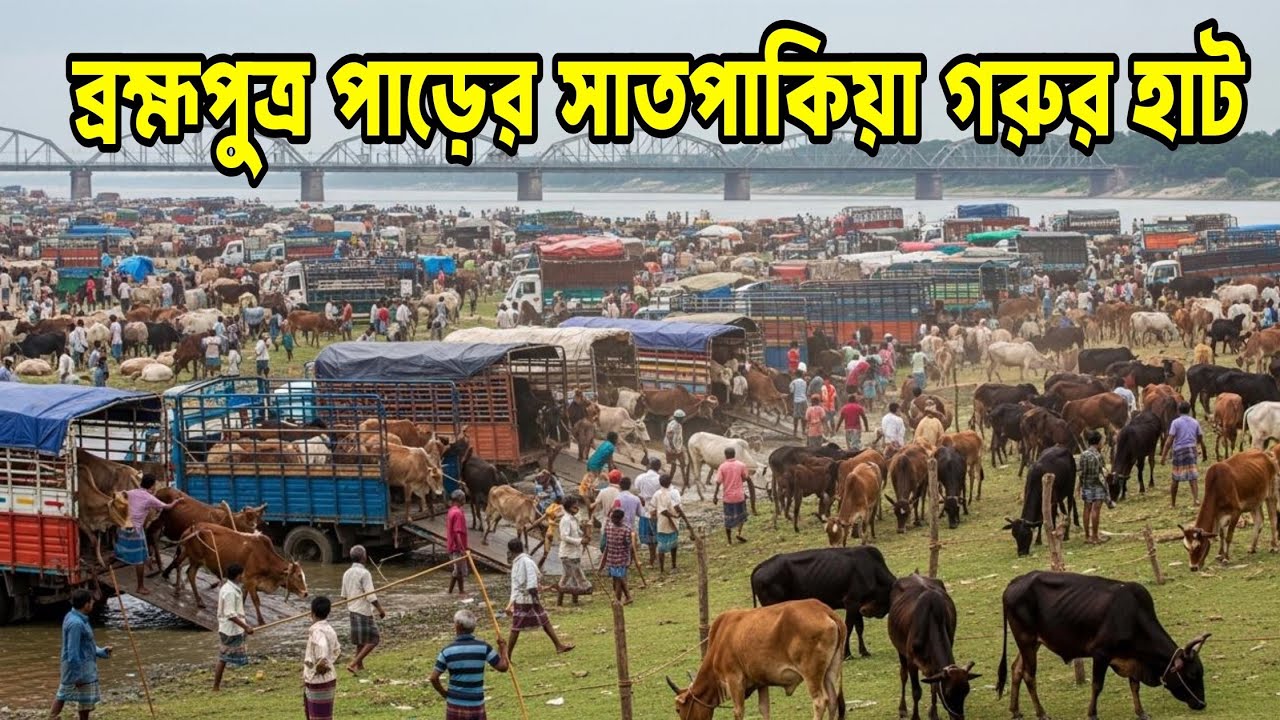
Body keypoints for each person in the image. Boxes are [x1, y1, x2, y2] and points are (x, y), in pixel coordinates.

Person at [430, 609, 509, 720]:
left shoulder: (447, 651)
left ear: (457, 626)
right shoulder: (483, 647)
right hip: (476, 704)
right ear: (473, 627)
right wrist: (503, 649)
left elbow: (433, 678)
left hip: (455, 704)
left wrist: (445, 694)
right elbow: (503, 667)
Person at [505, 538, 573, 658]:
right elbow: (526, 583)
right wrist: (510, 603)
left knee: (542, 621)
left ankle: (558, 646)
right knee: (518, 626)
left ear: (512, 551)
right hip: (527, 598)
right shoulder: (524, 561)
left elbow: (525, 583)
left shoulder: (523, 562)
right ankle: (507, 655)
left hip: (526, 598)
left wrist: (512, 602)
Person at [50, 589, 112, 719]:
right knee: (63, 694)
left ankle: (54, 717)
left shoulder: (77, 618)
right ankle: (52, 717)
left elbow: (86, 644)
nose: (93, 604)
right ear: (86, 605)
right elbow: (72, 651)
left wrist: (101, 651)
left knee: (84, 701)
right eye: (91, 602)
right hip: (78, 668)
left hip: (84, 666)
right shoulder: (76, 624)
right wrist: (77, 676)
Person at [120, 475, 181, 595]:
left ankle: (144, 558)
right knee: (139, 561)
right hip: (135, 529)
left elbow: (121, 494)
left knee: (137, 551)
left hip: (125, 526)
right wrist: (177, 501)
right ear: (152, 486)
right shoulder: (149, 498)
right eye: (154, 485)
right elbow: (167, 507)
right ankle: (140, 587)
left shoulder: (132, 492)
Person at [342, 545, 386, 675]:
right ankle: (353, 663)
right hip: (363, 611)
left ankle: (359, 666)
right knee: (374, 639)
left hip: (352, 610)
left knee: (360, 641)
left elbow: (344, 595)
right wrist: (380, 610)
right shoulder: (365, 573)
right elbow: (371, 595)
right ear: (363, 557)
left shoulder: (346, 573)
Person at [213, 563, 254, 691]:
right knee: (223, 658)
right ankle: (216, 686)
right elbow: (230, 614)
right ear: (237, 576)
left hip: (231, 628)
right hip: (230, 630)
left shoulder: (229, 587)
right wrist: (246, 627)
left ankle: (217, 685)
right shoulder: (230, 592)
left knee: (225, 657)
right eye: (242, 574)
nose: (243, 576)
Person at [302, 596, 341, 720]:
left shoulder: (317, 631)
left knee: (318, 717)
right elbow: (337, 651)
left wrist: (317, 669)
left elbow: (322, 654)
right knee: (321, 715)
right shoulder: (330, 629)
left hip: (318, 681)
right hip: (327, 679)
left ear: (312, 613)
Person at [1162, 402, 1207, 509]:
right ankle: (1196, 499)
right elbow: (1200, 438)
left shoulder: (1175, 422)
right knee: (1193, 476)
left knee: (1175, 478)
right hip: (1191, 449)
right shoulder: (1195, 422)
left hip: (1179, 450)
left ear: (1178, 411)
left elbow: (1170, 440)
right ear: (1189, 410)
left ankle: (1173, 503)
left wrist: (1163, 456)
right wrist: (1204, 451)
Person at [1077, 431, 1113, 545]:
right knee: (1095, 510)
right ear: (1098, 442)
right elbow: (1103, 471)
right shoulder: (1098, 456)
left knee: (1086, 509)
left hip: (1086, 485)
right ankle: (1095, 536)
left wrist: (1078, 486)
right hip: (1098, 485)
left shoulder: (1083, 455)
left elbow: (1081, 472)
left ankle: (1087, 536)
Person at [555, 496, 592, 606]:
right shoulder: (565, 520)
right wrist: (580, 541)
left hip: (575, 553)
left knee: (569, 576)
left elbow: (578, 532)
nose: (577, 507)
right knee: (575, 573)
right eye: (574, 505)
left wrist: (584, 535)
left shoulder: (574, 518)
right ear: (569, 507)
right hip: (567, 553)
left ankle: (568, 599)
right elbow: (564, 537)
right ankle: (586, 587)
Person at [712, 447, 749, 544]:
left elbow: (718, 482)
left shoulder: (722, 467)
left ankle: (729, 541)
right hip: (739, 496)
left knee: (728, 519)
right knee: (741, 516)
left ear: (725, 455)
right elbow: (745, 477)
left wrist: (715, 496)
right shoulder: (741, 465)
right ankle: (739, 533)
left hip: (728, 498)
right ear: (734, 454)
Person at [600, 508, 633, 604]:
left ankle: (619, 599)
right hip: (614, 558)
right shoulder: (623, 529)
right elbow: (628, 544)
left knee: (618, 578)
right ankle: (624, 597)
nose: (613, 520)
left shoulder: (623, 529)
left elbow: (629, 544)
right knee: (617, 578)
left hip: (620, 558)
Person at [651, 473, 683, 572]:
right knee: (674, 545)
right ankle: (673, 566)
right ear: (670, 482)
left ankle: (662, 569)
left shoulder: (657, 494)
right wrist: (676, 516)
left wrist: (653, 517)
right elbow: (678, 506)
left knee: (661, 547)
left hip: (662, 524)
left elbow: (654, 508)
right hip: (673, 522)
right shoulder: (674, 492)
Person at [633, 458, 662, 565]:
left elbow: (637, 491)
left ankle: (652, 557)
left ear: (649, 466)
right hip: (657, 510)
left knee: (649, 537)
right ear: (658, 467)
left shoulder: (640, 478)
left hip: (645, 510)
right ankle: (658, 556)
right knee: (658, 534)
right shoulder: (660, 479)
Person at [445, 490, 469, 596]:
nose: (465, 500)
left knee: (456, 570)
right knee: (459, 570)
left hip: (452, 545)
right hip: (456, 547)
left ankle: (450, 591)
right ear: (460, 499)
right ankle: (461, 591)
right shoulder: (458, 513)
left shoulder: (451, 511)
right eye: (463, 498)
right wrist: (462, 549)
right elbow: (458, 533)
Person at [663, 409, 687, 488]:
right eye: (682, 418)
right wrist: (673, 447)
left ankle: (675, 479)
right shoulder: (675, 425)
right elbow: (669, 436)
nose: (684, 419)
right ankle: (684, 481)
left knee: (678, 464)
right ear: (679, 418)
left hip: (675, 446)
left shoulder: (674, 423)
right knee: (679, 464)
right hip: (673, 448)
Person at [789, 370, 808, 435]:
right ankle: (803, 430)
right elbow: (805, 391)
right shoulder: (805, 382)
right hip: (804, 400)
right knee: (804, 416)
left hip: (797, 401)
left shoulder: (793, 382)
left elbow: (791, 391)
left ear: (796, 375)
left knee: (796, 417)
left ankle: (795, 431)